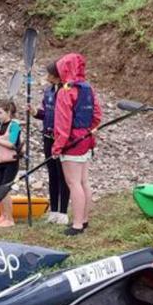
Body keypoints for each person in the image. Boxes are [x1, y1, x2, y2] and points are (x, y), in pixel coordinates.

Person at [52, 52, 103, 236]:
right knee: (83, 181)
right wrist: (89, 130)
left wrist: (57, 146)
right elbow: (97, 115)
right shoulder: (88, 88)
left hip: (72, 142)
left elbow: (63, 123)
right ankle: (85, 219)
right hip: (86, 139)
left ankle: (77, 225)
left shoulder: (66, 91)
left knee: (74, 183)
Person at [31, 62, 69, 224]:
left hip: (61, 138)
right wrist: (34, 112)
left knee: (63, 175)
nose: (47, 77)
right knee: (52, 174)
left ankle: (63, 212)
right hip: (47, 136)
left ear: (58, 76)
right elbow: (46, 114)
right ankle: (53, 211)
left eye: (50, 74)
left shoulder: (66, 92)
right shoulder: (48, 92)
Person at [0, 100, 23, 228]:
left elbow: (11, 143)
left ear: (8, 112)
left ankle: (9, 218)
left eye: (0, 112)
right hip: (0, 161)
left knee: (5, 189)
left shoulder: (14, 125)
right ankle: (3, 215)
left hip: (11, 161)